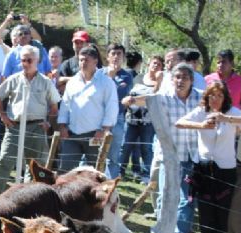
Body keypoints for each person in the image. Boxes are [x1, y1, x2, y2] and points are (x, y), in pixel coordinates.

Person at [122, 63, 203, 233]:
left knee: (187, 198)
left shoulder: (200, 97)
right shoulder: (165, 97)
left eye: (185, 77)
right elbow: (149, 99)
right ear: (172, 79)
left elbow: (218, 103)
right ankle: (162, 230)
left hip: (192, 155)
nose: (181, 81)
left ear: (191, 80)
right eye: (177, 77)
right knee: (165, 195)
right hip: (170, 155)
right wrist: (132, 100)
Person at [176, 81, 241, 233]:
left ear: (225, 97)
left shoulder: (232, 112)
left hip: (226, 170)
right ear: (207, 96)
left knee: (222, 213)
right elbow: (180, 122)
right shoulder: (201, 112)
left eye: (220, 95)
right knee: (205, 212)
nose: (216, 99)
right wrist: (201, 125)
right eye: (212, 95)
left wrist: (225, 118)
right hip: (203, 168)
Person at [0, 44, 60, 195]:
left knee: (35, 166)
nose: (26, 63)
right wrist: (3, 115)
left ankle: (29, 197)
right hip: (14, 126)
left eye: (29, 60)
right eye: (23, 60)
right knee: (4, 160)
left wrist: (48, 122)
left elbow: (54, 106)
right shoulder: (13, 79)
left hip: (37, 127)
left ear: (37, 61)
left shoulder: (45, 82)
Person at [56, 45, 118, 174]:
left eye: (86, 60)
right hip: (72, 133)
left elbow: (111, 107)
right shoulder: (73, 82)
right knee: (65, 171)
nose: (83, 63)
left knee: (96, 173)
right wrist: (62, 126)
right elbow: (65, 105)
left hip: (95, 134)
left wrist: (104, 130)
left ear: (95, 61)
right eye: (81, 60)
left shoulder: (106, 82)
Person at [120, 54, 163, 183]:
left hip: (148, 122)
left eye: (159, 64)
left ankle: (148, 175)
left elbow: (154, 98)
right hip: (131, 119)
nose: (155, 66)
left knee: (146, 148)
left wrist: (159, 81)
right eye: (154, 63)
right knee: (125, 146)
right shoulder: (137, 78)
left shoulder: (161, 83)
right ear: (148, 64)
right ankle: (119, 172)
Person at [100, 43, 132, 179]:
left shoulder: (127, 76)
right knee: (94, 152)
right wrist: (110, 77)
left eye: (119, 54)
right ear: (107, 57)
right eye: (113, 53)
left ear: (123, 57)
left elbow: (123, 95)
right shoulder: (99, 73)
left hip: (117, 118)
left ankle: (111, 184)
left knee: (113, 155)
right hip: (98, 118)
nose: (116, 57)